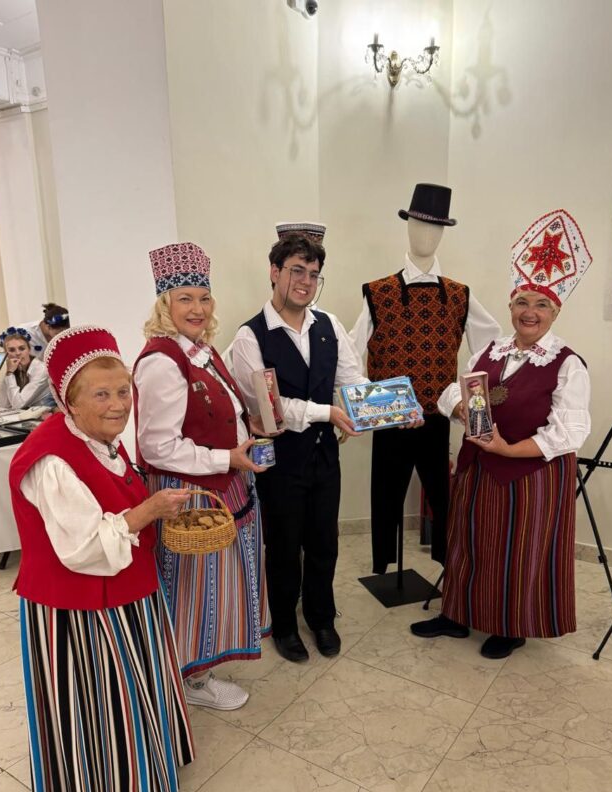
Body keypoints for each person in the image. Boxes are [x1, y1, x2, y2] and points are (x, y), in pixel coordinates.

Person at [9, 325, 195, 792]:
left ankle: (145, 766)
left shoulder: (97, 439)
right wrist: (149, 510)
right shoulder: (51, 458)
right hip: (79, 607)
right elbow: (84, 547)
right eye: (102, 395)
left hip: (123, 592)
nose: (118, 405)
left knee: (133, 688)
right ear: (68, 401)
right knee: (105, 698)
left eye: (123, 391)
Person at [412, 209, 592, 658]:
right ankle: (456, 615)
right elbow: (453, 390)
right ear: (510, 306)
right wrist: (460, 409)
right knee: (468, 542)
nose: (529, 312)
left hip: (530, 476)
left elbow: (569, 432)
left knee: (517, 550)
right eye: (522, 302)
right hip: (477, 467)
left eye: (541, 305)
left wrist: (509, 450)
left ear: (556, 311)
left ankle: (510, 627)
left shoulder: (567, 363)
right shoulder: (491, 350)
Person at [134, 242, 269, 710]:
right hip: (189, 497)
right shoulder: (161, 361)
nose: (198, 308)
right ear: (164, 304)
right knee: (194, 591)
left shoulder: (201, 352)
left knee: (213, 590)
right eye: (185, 299)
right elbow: (157, 447)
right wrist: (226, 459)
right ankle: (190, 681)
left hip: (218, 487)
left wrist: (251, 426)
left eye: (204, 298)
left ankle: (198, 671)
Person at [231, 223, 367, 663]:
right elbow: (270, 407)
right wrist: (328, 412)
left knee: (325, 542)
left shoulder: (329, 325)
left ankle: (321, 618)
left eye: (313, 274)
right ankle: (285, 625)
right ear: (274, 272)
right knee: (285, 545)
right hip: (281, 460)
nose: (305, 282)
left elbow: (351, 380)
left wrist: (383, 409)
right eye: (296, 270)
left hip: (325, 455)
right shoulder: (249, 337)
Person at [350, 184, 501, 573]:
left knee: (442, 496)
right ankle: (384, 563)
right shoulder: (378, 292)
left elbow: (490, 351)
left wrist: (474, 404)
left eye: (435, 228)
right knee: (385, 495)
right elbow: (349, 354)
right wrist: (370, 405)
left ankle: (446, 564)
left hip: (437, 417)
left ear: (443, 233)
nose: (426, 235)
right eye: (419, 225)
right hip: (392, 418)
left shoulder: (459, 295)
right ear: (408, 226)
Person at [0, 326, 51, 409]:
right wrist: (9, 373)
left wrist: (9, 374)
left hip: (46, 413)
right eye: (12, 350)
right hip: (29, 413)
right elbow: (4, 405)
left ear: (29, 349)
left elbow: (18, 405)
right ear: (6, 354)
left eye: (22, 348)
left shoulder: (41, 370)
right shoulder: (14, 369)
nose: (18, 353)